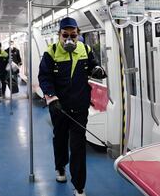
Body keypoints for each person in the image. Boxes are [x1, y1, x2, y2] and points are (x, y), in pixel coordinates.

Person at [38, 17, 107, 196]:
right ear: (59, 35)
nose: (70, 39)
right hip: (59, 105)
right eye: (65, 35)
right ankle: (60, 167)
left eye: (73, 36)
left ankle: (79, 186)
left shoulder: (85, 49)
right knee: (60, 138)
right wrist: (51, 98)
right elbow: (44, 77)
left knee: (78, 145)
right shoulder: (51, 53)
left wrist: (97, 69)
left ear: (78, 35)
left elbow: (93, 65)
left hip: (79, 105)